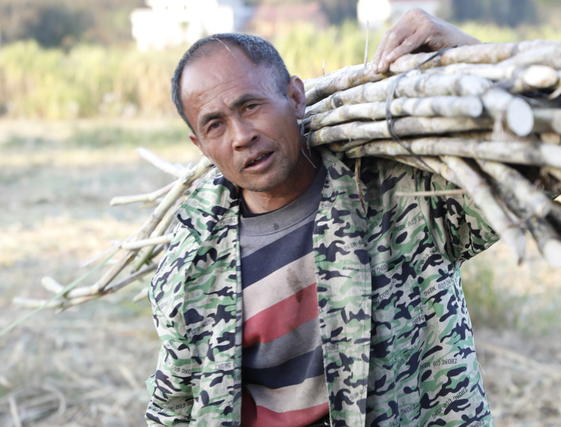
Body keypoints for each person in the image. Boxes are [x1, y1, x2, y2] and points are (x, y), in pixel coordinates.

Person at [146, 9, 495, 427]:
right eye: (215, 125)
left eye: (251, 106)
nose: (241, 136)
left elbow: (538, 165)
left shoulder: (400, 194)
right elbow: (176, 402)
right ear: (199, 144)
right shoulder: (193, 253)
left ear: (295, 97)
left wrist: (462, 47)